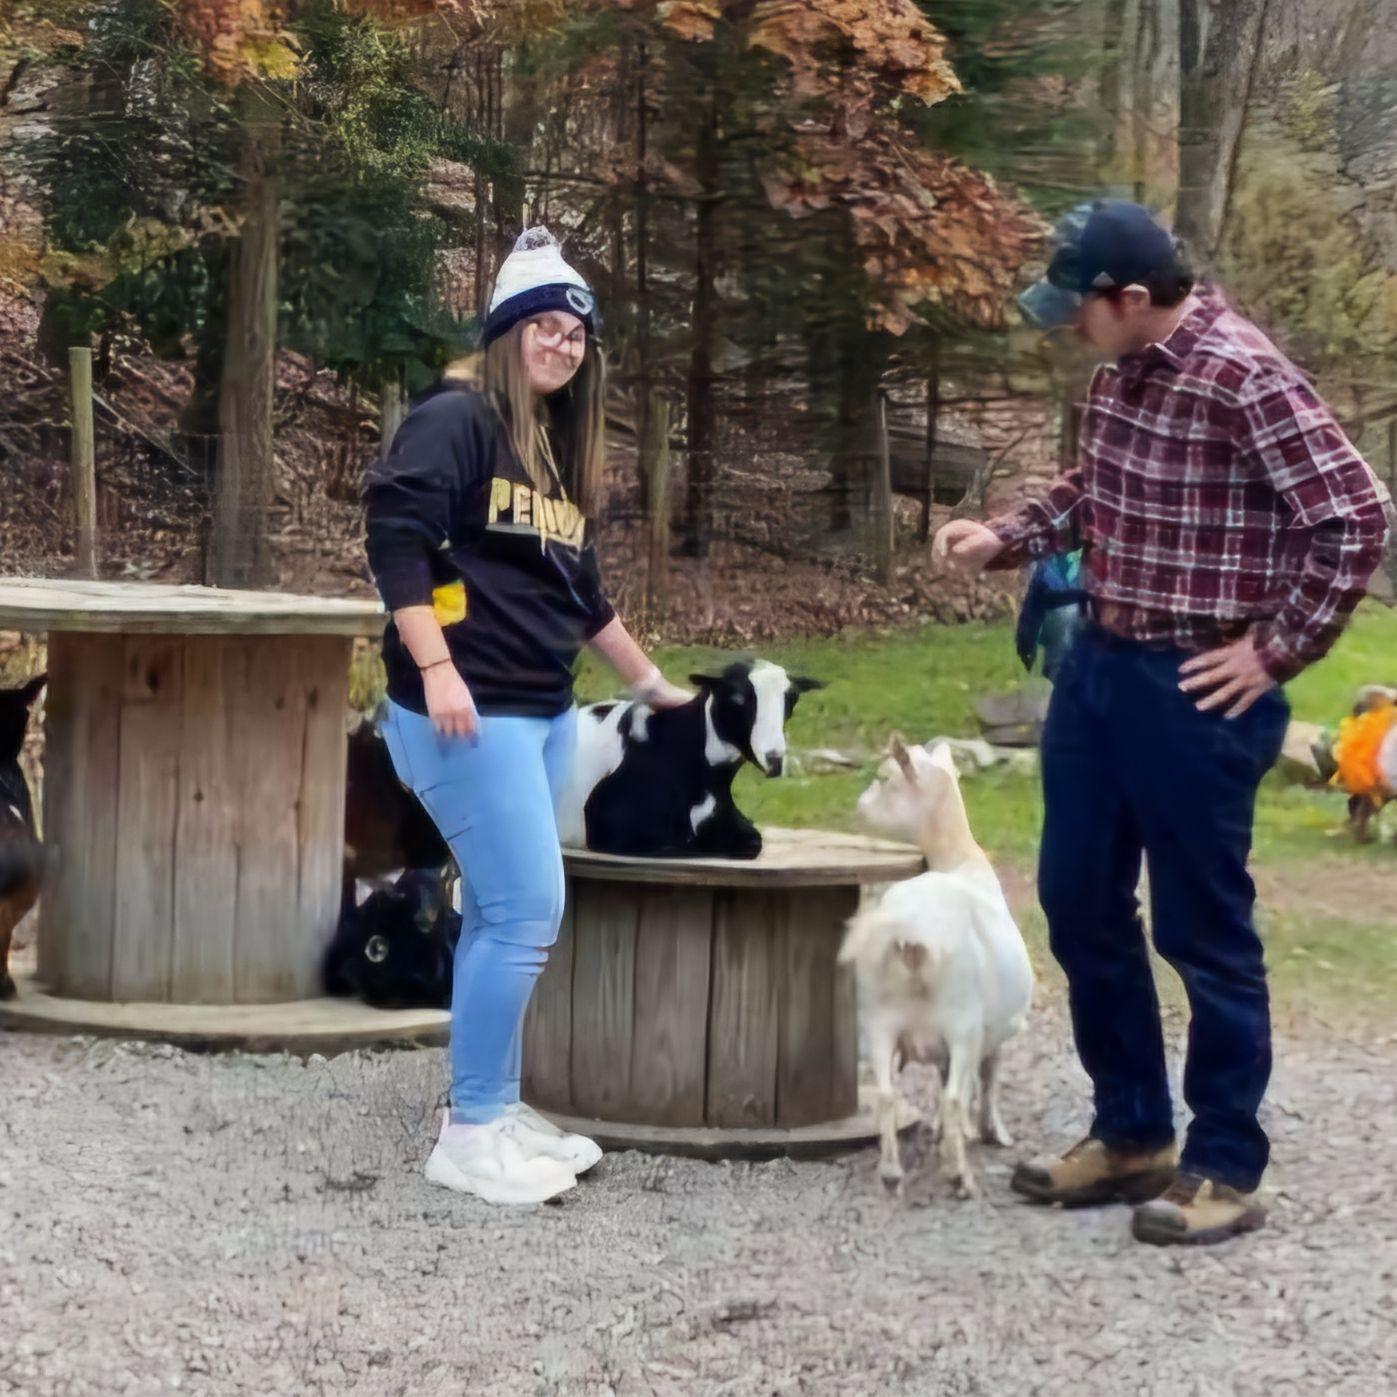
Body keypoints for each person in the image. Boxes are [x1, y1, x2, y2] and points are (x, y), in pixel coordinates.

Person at [935, 200, 1390, 1246]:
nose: (1064, 327)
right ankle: (1130, 1129)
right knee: (1077, 898)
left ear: (1130, 298)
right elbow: (1093, 495)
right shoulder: (1118, 378)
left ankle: (1223, 1159)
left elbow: (1353, 516)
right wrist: (1002, 536)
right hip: (1097, 669)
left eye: (1076, 309)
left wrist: (1273, 650)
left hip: (1194, 685)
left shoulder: (1243, 374)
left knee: (1200, 927)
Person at [364, 228, 690, 1205]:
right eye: (542, 326)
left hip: (538, 710)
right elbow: (394, 537)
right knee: (525, 909)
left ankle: (492, 1104)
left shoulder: (544, 448)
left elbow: (579, 595)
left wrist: (653, 688)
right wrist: (436, 663)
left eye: (575, 332)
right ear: (506, 331)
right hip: (464, 712)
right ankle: (467, 1135)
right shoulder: (454, 416)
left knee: (498, 912)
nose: (560, 344)